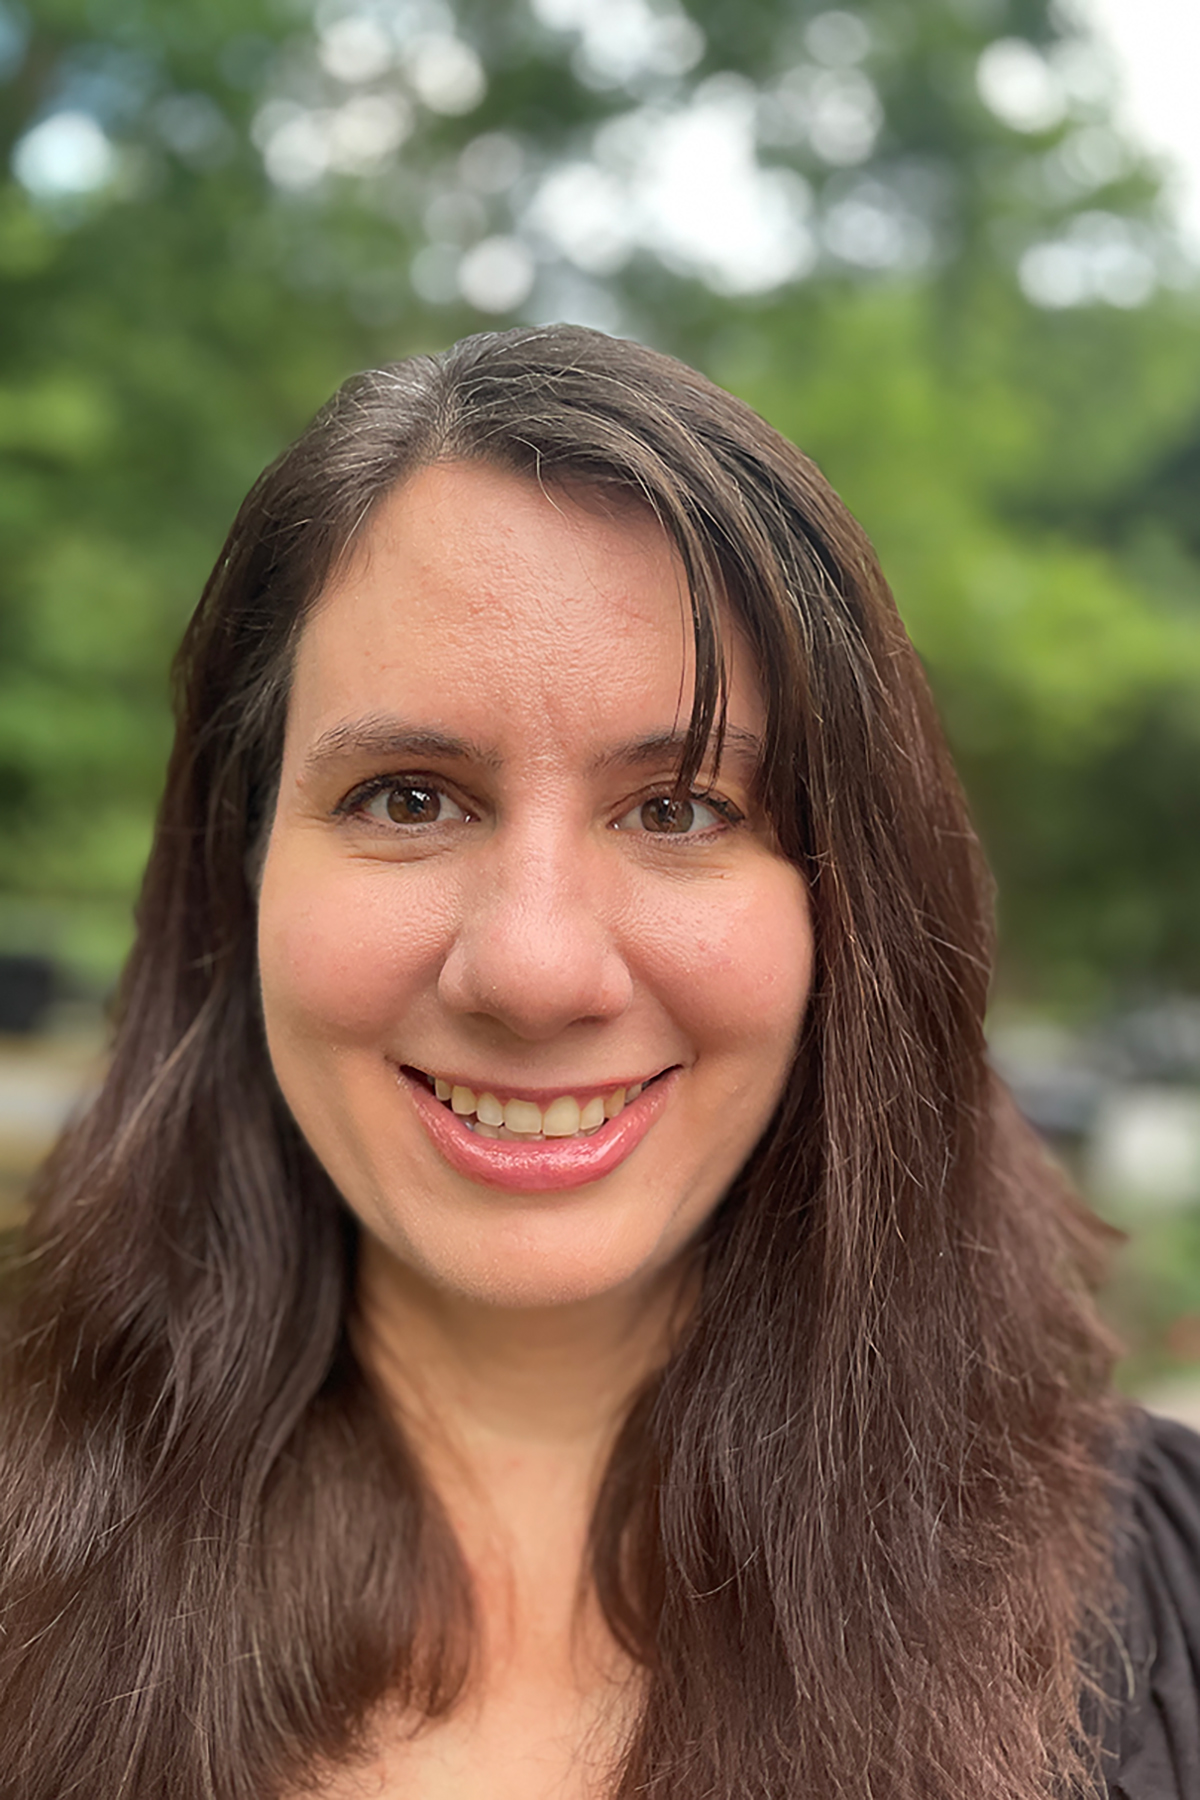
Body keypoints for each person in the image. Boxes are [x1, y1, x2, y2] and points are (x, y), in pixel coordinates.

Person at [1, 324, 1197, 1800]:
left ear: (854, 912)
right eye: (409, 795)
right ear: (239, 868)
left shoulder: (1168, 1613)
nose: (536, 968)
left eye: (682, 808)